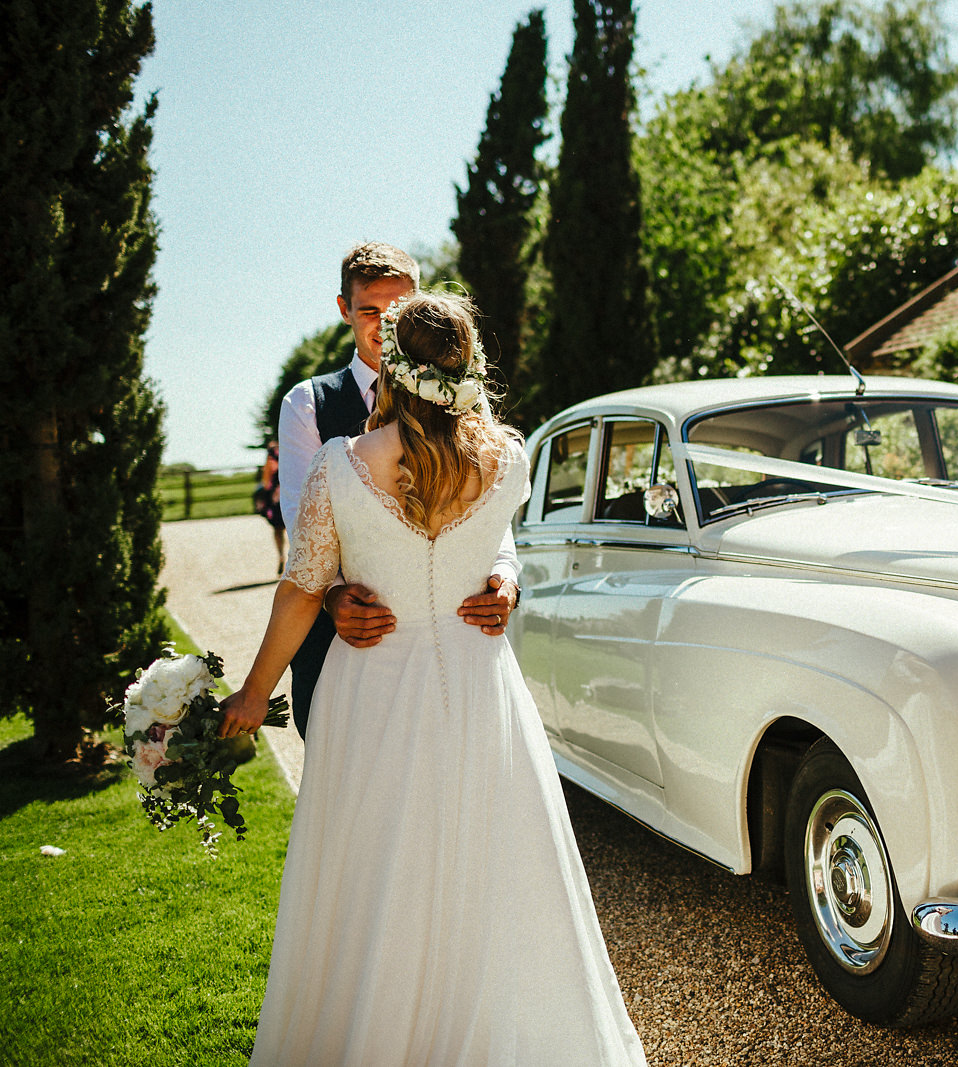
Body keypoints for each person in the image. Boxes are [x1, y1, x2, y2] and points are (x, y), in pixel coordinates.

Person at [219, 290, 647, 1065]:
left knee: (378, 872)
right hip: (479, 681)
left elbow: (300, 589)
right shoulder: (508, 458)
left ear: (392, 359)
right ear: (468, 361)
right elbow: (492, 538)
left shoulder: (341, 468)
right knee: (491, 865)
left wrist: (255, 692)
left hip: (375, 687)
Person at [276, 242, 519, 738]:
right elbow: (303, 523)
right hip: (346, 643)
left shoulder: (468, 406)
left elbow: (494, 514)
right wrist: (334, 596)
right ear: (344, 310)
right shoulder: (309, 404)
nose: (385, 325)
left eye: (397, 310)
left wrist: (505, 578)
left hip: (458, 643)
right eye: (369, 310)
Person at [256, 440, 285, 571]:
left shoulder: (271, 458)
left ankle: (281, 555)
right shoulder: (288, 453)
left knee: (277, 529)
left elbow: (265, 480)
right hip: (288, 494)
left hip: (275, 498)